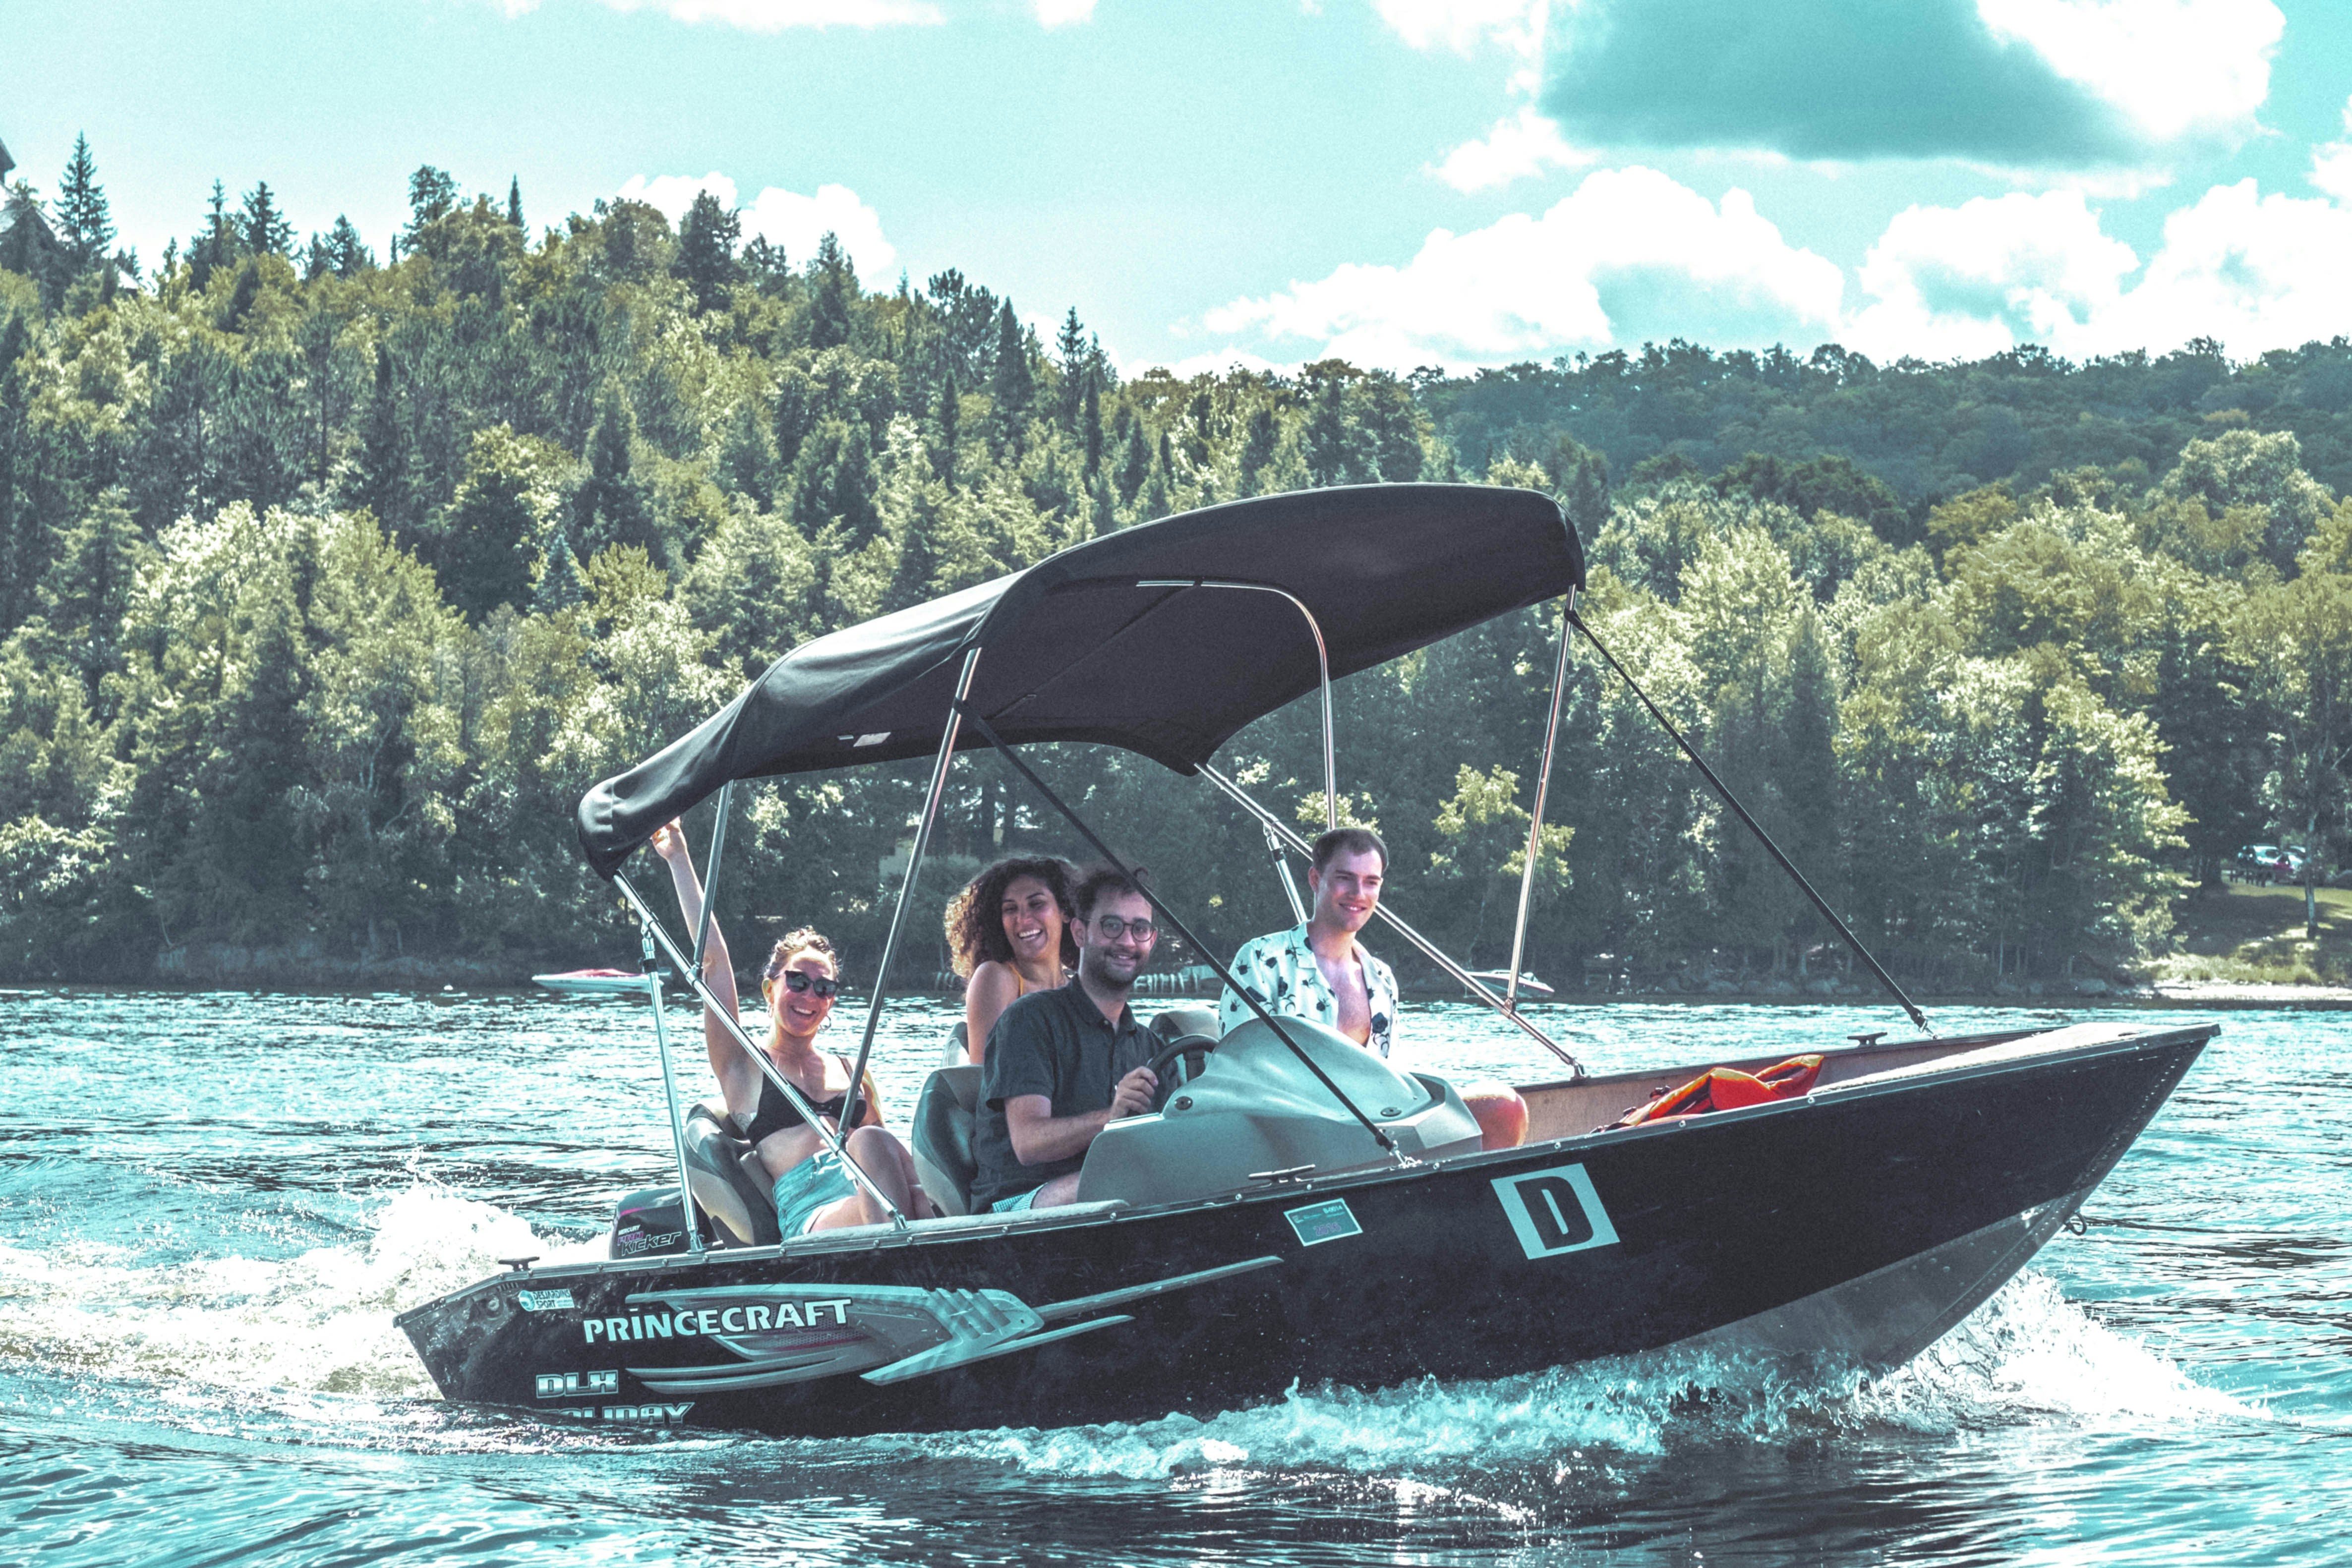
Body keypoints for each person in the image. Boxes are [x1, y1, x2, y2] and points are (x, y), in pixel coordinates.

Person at [650, 819, 935, 1234]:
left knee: (880, 1143)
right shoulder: (743, 1065)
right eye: (797, 981)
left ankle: (946, 1247)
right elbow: (713, 962)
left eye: (824, 987)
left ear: (832, 1000)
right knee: (871, 1142)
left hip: (873, 1195)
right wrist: (678, 856)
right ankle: (904, 1259)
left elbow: (894, 1163)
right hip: (812, 1210)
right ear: (770, 988)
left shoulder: (851, 1071)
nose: (809, 995)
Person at [1219, 826, 1529, 1150]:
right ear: (1315, 879)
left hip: (1378, 1132)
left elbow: (1389, 1078)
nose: (1358, 893)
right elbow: (1240, 1077)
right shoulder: (1260, 959)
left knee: (1505, 1109)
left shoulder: (1382, 979)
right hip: (1291, 1140)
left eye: (1371, 882)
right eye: (1345, 878)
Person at [968, 863, 1163, 1212]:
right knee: (1128, 1179)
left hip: (1115, 1197)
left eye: (1140, 929)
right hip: (1016, 1205)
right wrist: (1112, 1117)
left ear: (1153, 939)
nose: (1127, 941)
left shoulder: (1151, 1047)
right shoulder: (1028, 1020)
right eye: (1112, 925)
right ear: (1079, 932)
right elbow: (1028, 1142)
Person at [944, 856, 1079, 1066]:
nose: (1023, 919)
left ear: (1066, 911)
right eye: (1010, 909)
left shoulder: (1080, 991)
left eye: (1036, 904)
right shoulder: (995, 978)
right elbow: (986, 1079)